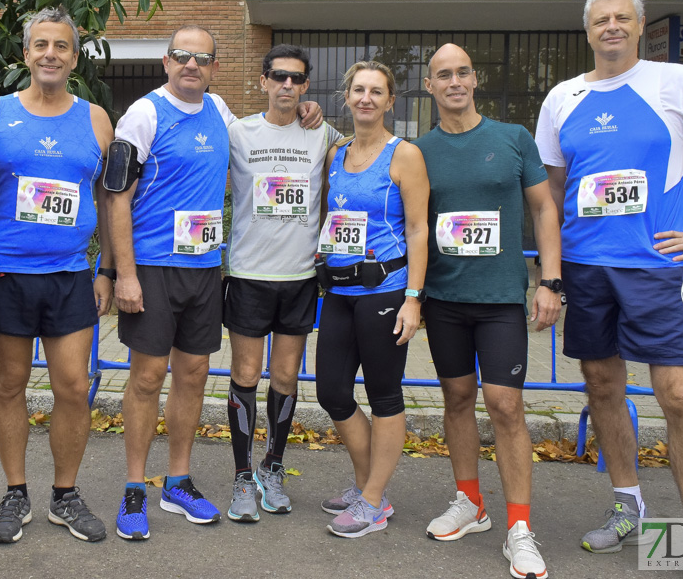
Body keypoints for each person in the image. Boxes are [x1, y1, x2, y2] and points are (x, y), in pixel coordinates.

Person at [534, 0, 683, 578]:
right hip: (587, 269)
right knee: (603, 388)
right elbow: (551, 195)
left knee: (680, 397)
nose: (611, 27)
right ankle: (629, 507)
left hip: (657, 267)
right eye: (600, 20)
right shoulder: (564, 97)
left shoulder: (676, 81)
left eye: (622, 18)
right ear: (587, 32)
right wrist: (552, 276)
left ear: (638, 27)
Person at [101, 25, 322, 541]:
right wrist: (123, 274)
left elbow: (271, 129)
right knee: (147, 378)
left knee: (195, 373)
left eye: (202, 58)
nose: (191, 65)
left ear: (215, 67)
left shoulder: (221, 113)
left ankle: (177, 480)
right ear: (166, 61)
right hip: (153, 267)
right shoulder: (144, 114)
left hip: (205, 268)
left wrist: (306, 114)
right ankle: (135, 487)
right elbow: (116, 198)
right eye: (182, 56)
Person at [414, 43, 561, 579]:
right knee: (456, 398)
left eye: (463, 72)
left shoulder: (512, 138)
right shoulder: (419, 150)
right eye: (443, 75)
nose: (454, 81)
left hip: (500, 298)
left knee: (505, 406)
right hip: (445, 298)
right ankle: (470, 502)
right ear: (429, 87)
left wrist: (550, 281)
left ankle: (519, 527)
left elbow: (545, 208)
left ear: (474, 80)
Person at [0, 6, 112, 544]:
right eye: (41, 45)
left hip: (70, 275)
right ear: (26, 54)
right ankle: (16, 491)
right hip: (5, 273)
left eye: (61, 46)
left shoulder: (97, 118)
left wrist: (108, 269)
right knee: (10, 385)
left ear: (74, 57)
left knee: (74, 388)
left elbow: (109, 198)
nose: (50, 54)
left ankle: (65, 494)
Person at [223, 43, 341, 522]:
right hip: (250, 274)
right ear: (263, 81)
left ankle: (273, 467)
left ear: (306, 85)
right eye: (279, 77)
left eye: (297, 79)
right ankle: (242, 476)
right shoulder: (238, 132)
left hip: (299, 277)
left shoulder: (325, 133)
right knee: (246, 376)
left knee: (287, 378)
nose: (288, 85)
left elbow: (363, 158)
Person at [315, 59, 428, 539]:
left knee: (384, 396)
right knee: (331, 392)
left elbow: (420, 229)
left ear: (389, 100)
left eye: (376, 91)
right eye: (358, 90)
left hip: (385, 291)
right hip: (340, 291)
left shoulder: (404, 155)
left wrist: (414, 298)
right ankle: (367, 487)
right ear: (346, 97)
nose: (366, 98)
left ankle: (374, 501)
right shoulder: (336, 154)